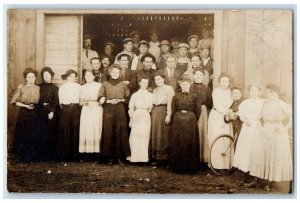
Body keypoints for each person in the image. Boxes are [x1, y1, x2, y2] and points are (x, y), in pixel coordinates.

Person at [246, 84, 292, 188]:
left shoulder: (282, 104)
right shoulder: (265, 103)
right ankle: (258, 180)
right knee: (261, 154)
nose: (268, 94)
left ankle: (271, 182)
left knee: (274, 156)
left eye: (271, 92)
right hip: (266, 130)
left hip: (277, 133)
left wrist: (284, 128)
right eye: (267, 92)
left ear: (276, 93)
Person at [99, 64, 131, 166]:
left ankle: (119, 158)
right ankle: (110, 158)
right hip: (108, 110)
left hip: (120, 109)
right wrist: (107, 100)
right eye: (113, 72)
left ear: (119, 73)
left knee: (120, 131)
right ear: (110, 73)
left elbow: (128, 98)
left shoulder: (123, 85)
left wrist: (119, 100)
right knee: (109, 131)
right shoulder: (105, 84)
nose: (115, 74)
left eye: (117, 72)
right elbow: (100, 97)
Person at [169, 74, 201, 172]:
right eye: (183, 85)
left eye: (187, 85)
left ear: (190, 85)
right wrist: (178, 116)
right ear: (180, 85)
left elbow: (198, 110)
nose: (185, 86)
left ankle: (191, 167)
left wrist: (191, 117)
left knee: (190, 142)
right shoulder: (176, 96)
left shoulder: (194, 96)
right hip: (178, 121)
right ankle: (177, 167)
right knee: (178, 142)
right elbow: (173, 109)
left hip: (191, 121)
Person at [233, 84, 264, 182]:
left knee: (255, 149)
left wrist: (254, 120)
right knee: (245, 149)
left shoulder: (262, 103)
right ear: (249, 92)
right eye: (252, 91)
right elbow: (241, 114)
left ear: (259, 92)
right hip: (246, 126)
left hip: (256, 126)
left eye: (256, 91)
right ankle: (244, 172)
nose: (254, 93)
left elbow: (262, 115)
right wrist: (245, 120)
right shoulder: (246, 102)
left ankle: (254, 174)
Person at [10, 68, 40, 162]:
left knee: (33, 133)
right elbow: (14, 102)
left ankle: (32, 157)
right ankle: (22, 156)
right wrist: (26, 106)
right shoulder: (21, 88)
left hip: (35, 112)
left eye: (33, 77)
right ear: (26, 78)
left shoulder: (38, 88)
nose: (31, 78)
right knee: (23, 133)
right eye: (29, 77)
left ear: (35, 78)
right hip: (24, 112)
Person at [207, 73, 233, 169]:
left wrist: (228, 114)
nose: (224, 83)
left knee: (225, 138)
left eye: (226, 81)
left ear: (229, 82)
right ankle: (216, 164)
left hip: (226, 117)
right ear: (219, 82)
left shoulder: (230, 92)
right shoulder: (216, 91)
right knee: (216, 137)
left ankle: (225, 165)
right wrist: (225, 112)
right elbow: (217, 105)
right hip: (217, 116)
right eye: (222, 81)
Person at [150, 72, 175, 165]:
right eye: (156, 80)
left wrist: (169, 114)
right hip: (155, 112)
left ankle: (164, 157)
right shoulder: (155, 90)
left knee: (164, 133)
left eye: (159, 79)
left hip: (164, 110)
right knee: (155, 133)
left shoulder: (169, 88)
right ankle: (156, 156)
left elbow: (170, 102)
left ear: (163, 79)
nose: (157, 81)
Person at [127, 76, 153, 163]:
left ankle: (144, 158)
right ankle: (135, 157)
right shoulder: (135, 95)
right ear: (139, 83)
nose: (144, 84)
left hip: (145, 115)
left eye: (146, 83)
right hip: (137, 115)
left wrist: (147, 111)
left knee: (145, 136)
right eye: (143, 82)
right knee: (135, 136)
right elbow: (131, 108)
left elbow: (151, 108)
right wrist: (131, 119)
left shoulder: (150, 95)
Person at [57, 69, 81, 161]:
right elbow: (60, 102)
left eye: (74, 76)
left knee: (75, 129)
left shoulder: (78, 86)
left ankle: (75, 155)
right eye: (70, 76)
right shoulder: (62, 87)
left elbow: (80, 98)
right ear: (67, 77)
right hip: (66, 109)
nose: (72, 78)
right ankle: (65, 155)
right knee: (65, 130)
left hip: (75, 109)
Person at [189, 69, 212, 165]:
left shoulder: (206, 88)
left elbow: (209, 103)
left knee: (202, 132)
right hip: (192, 111)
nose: (198, 76)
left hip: (202, 112)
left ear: (203, 76)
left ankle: (202, 157)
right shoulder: (190, 86)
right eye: (197, 74)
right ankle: (192, 158)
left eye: (200, 75)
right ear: (194, 76)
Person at [79, 70, 103, 157]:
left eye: (90, 75)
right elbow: (80, 101)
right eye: (86, 76)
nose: (88, 77)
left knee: (95, 128)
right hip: (86, 109)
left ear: (93, 76)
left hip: (96, 108)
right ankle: (86, 153)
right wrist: (82, 103)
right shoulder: (82, 87)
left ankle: (96, 152)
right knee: (86, 129)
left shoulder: (99, 85)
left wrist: (99, 101)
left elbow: (102, 97)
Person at [37, 67, 59, 161]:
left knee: (50, 132)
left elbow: (56, 101)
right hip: (40, 110)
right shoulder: (38, 87)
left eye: (48, 75)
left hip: (50, 111)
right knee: (41, 132)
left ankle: (50, 155)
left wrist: (52, 111)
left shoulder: (55, 88)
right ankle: (40, 155)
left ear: (51, 76)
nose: (46, 76)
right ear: (42, 76)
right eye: (44, 75)